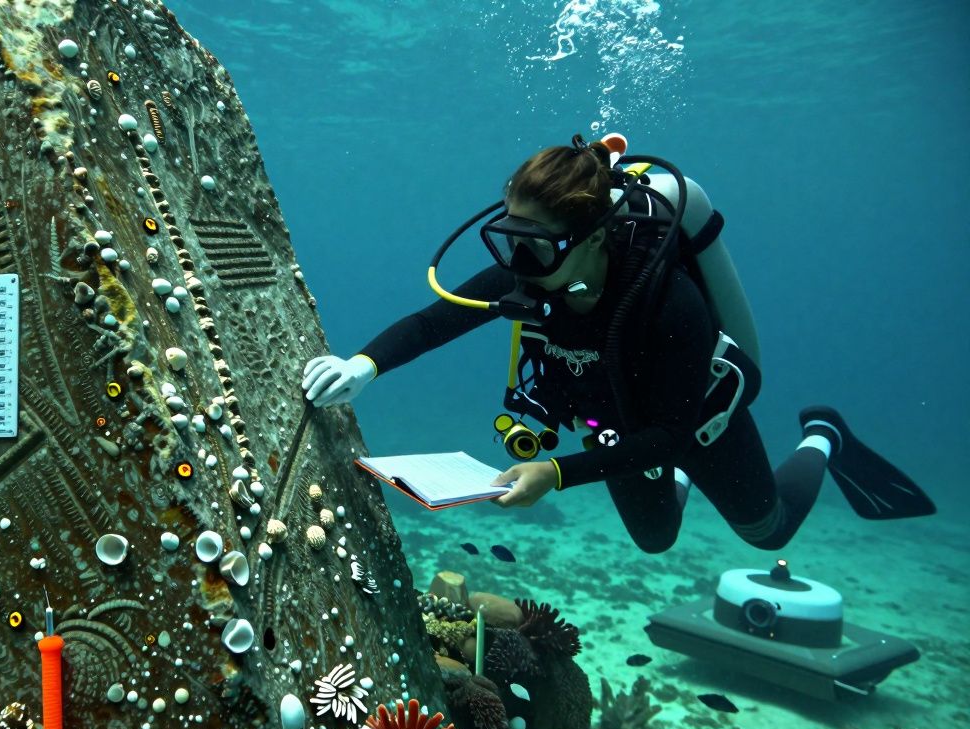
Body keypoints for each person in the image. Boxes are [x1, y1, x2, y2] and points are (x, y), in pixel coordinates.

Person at [301, 134, 934, 553]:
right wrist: (363, 365)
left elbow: (668, 436)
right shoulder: (531, 266)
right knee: (655, 540)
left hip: (697, 422)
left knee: (766, 532)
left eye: (536, 242)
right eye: (509, 236)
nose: (518, 259)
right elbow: (433, 322)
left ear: (593, 238)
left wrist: (555, 472)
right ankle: (678, 483)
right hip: (614, 426)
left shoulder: (664, 299)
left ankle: (824, 435)